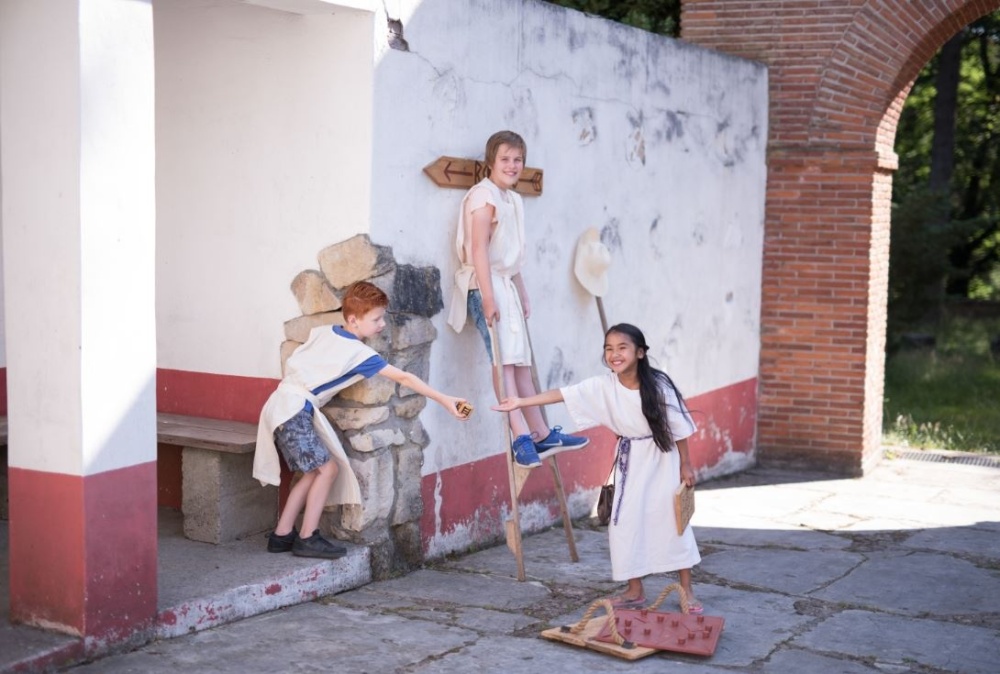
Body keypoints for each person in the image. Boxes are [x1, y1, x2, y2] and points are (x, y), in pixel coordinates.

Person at [493, 323, 703, 612]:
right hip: (629, 461)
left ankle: (687, 590)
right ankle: (634, 589)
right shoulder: (604, 385)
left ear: (640, 353)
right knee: (623, 523)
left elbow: (679, 429)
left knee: (671, 522)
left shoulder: (659, 386)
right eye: (609, 348)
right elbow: (564, 393)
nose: (614, 354)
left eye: (622, 348)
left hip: (661, 460)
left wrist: (686, 466)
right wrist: (521, 401)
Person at [254, 281, 471, 559]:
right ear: (353, 320)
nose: (381, 324)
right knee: (328, 470)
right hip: (294, 410)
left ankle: (282, 535)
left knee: (314, 471)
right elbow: (404, 377)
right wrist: (445, 399)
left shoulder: (323, 332)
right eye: (376, 319)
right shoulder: (361, 354)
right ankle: (307, 537)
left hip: (282, 406)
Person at [447, 130, 588, 468]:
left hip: (504, 284)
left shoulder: (512, 199)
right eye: (505, 159)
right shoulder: (483, 197)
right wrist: (488, 295)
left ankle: (541, 433)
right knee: (504, 363)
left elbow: (509, 255)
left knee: (521, 365)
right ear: (491, 163)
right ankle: (520, 436)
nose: (512, 165)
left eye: (517, 159)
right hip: (486, 286)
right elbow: (478, 248)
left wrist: (521, 290)